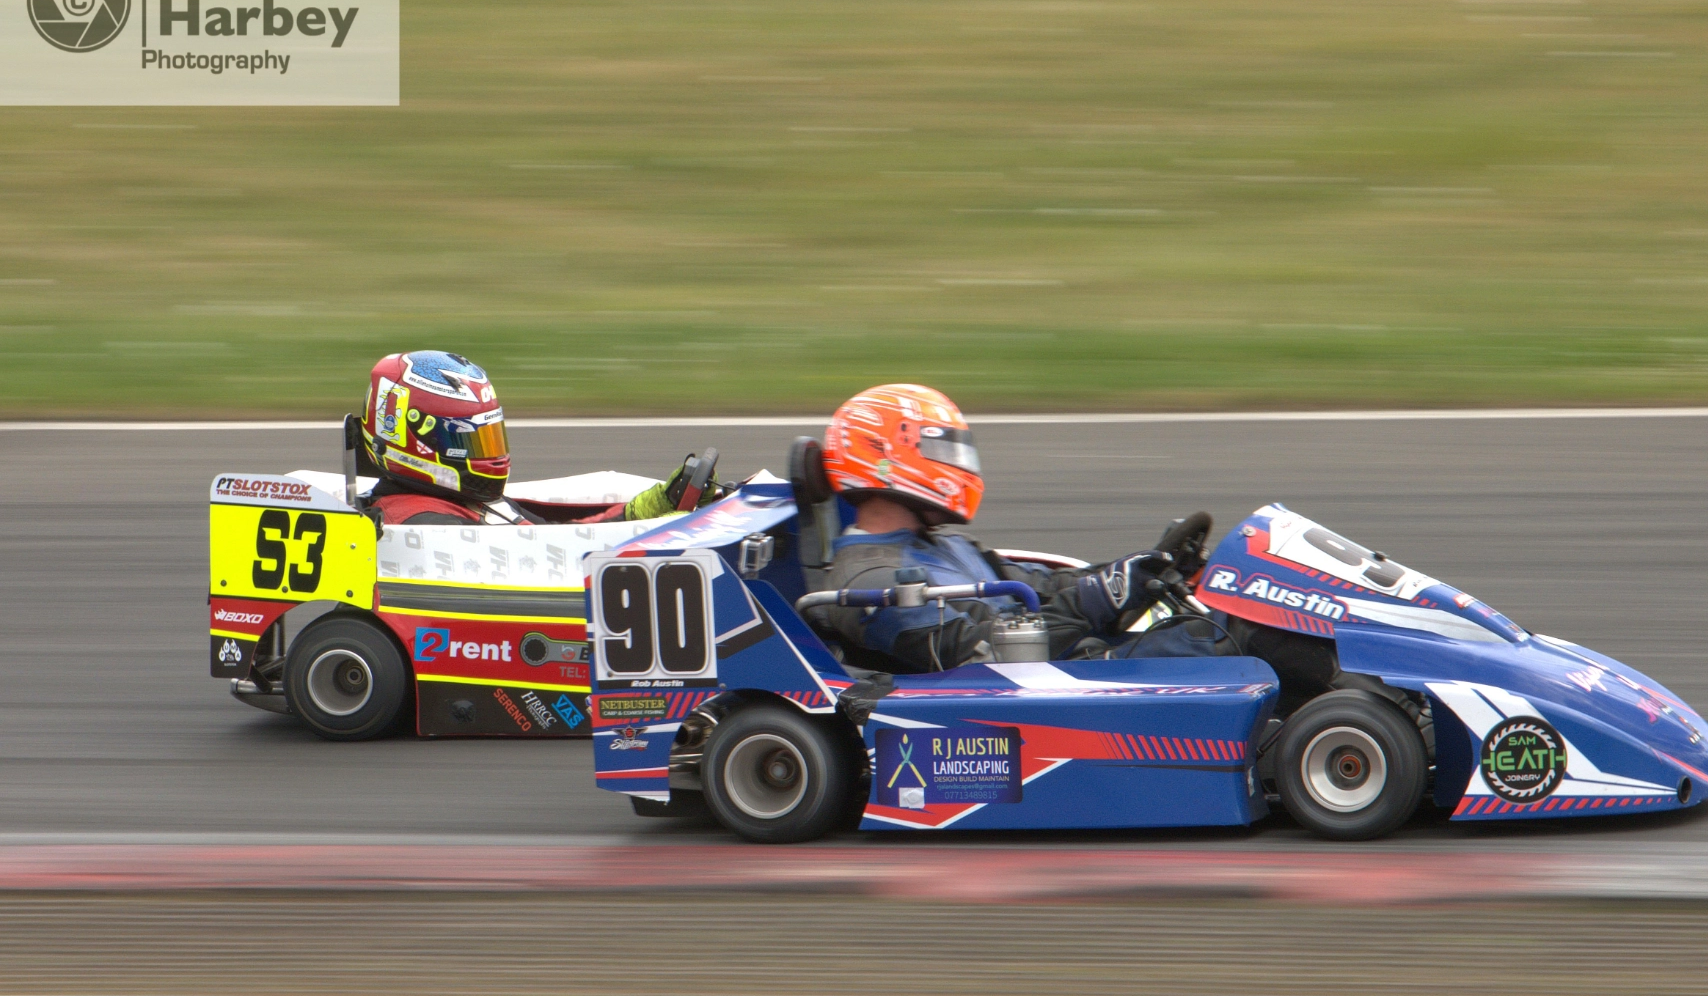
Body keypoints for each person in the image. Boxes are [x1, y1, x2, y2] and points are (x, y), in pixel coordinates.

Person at [812, 383, 1218, 673]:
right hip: (1028, 693)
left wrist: (1142, 571)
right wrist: (1094, 601)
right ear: (883, 457)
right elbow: (979, 654)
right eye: (940, 449)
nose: (956, 464)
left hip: (1067, 666)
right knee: (1216, 647)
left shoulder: (948, 547)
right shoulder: (867, 583)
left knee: (1219, 618)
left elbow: (1045, 585)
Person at [352, 350, 723, 525]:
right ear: (414, 439)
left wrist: (649, 509)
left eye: (491, 435)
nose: (491, 456)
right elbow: (563, 560)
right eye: (470, 440)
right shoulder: (424, 524)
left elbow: (555, 536)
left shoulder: (454, 500)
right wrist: (655, 522)